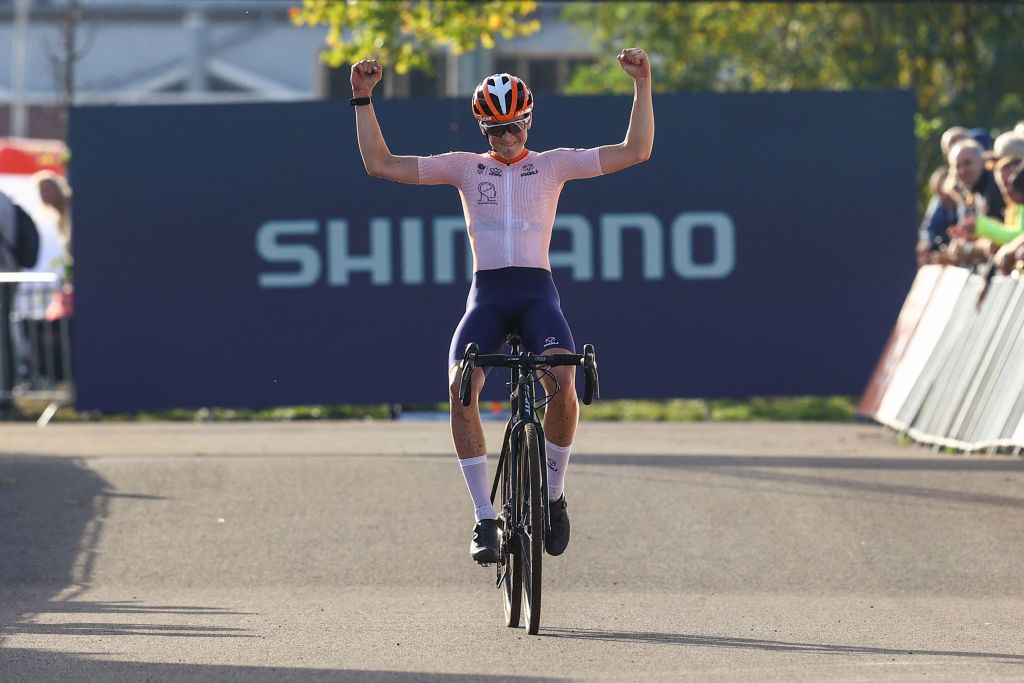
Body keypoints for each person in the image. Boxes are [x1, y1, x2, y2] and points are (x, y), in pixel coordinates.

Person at [351, 48, 654, 563]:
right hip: (488, 296)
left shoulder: (553, 165)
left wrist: (642, 83)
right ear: (481, 129)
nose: (506, 139)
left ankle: (554, 497)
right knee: (459, 386)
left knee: (562, 380)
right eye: (495, 131)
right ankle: (484, 519)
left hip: (537, 295)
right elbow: (380, 164)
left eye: (513, 128)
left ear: (529, 122)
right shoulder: (465, 168)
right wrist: (362, 98)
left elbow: (635, 150)